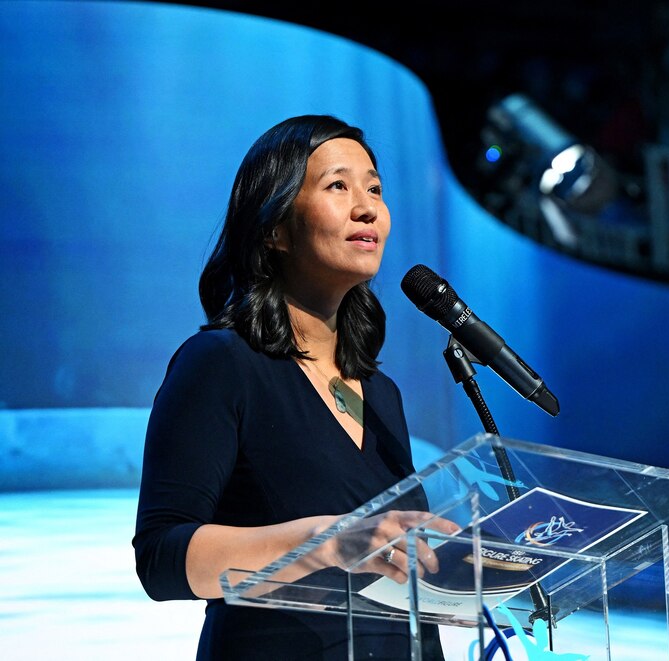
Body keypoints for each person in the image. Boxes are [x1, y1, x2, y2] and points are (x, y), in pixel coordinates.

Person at [132, 115, 456, 659]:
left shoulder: (382, 394)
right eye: (338, 186)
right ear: (274, 229)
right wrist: (329, 541)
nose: (367, 208)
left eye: (375, 189)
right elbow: (161, 560)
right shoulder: (220, 363)